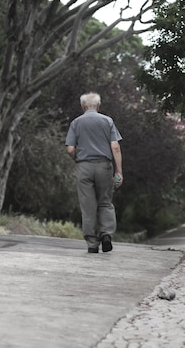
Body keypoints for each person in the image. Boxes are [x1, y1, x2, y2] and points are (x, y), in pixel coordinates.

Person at [65, 92, 123, 253]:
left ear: (83, 106)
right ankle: (106, 234)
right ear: (98, 105)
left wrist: (78, 159)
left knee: (88, 206)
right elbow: (115, 147)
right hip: (104, 166)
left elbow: (70, 148)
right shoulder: (107, 121)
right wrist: (119, 171)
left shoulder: (76, 123)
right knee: (105, 202)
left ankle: (92, 243)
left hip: (84, 167)